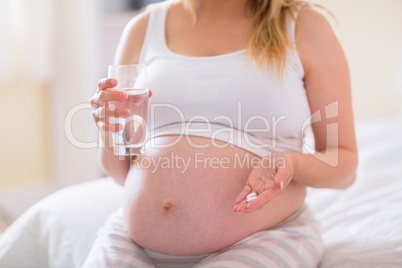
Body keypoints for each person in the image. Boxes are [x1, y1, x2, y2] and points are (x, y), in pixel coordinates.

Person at [86, 0, 358, 266]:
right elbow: (121, 172)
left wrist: (291, 164)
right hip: (134, 243)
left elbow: (343, 165)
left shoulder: (303, 25)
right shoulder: (144, 28)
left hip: (262, 239)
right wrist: (110, 129)